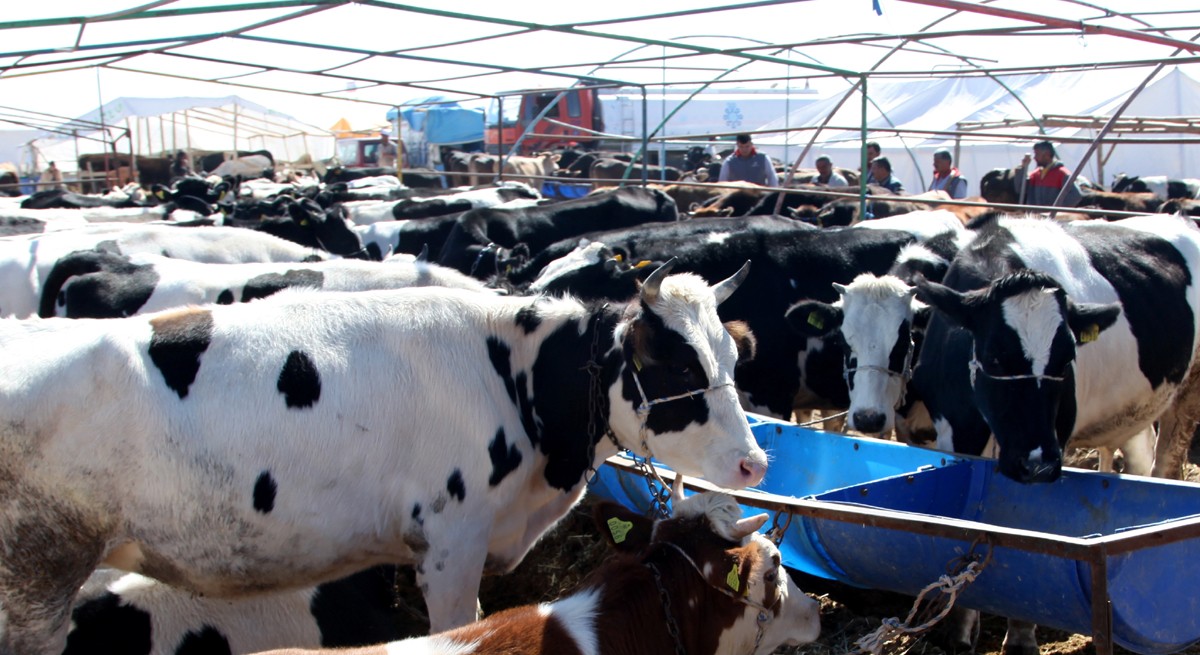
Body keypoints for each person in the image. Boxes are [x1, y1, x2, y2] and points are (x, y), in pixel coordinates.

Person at [1020, 140, 1081, 207]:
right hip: (1037, 216)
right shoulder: (1035, 175)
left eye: (1037, 154)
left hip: (1052, 217)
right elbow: (1019, 188)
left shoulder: (1062, 174)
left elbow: (1076, 195)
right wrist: (1023, 168)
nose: (1034, 157)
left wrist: (1055, 210)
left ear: (1047, 154)